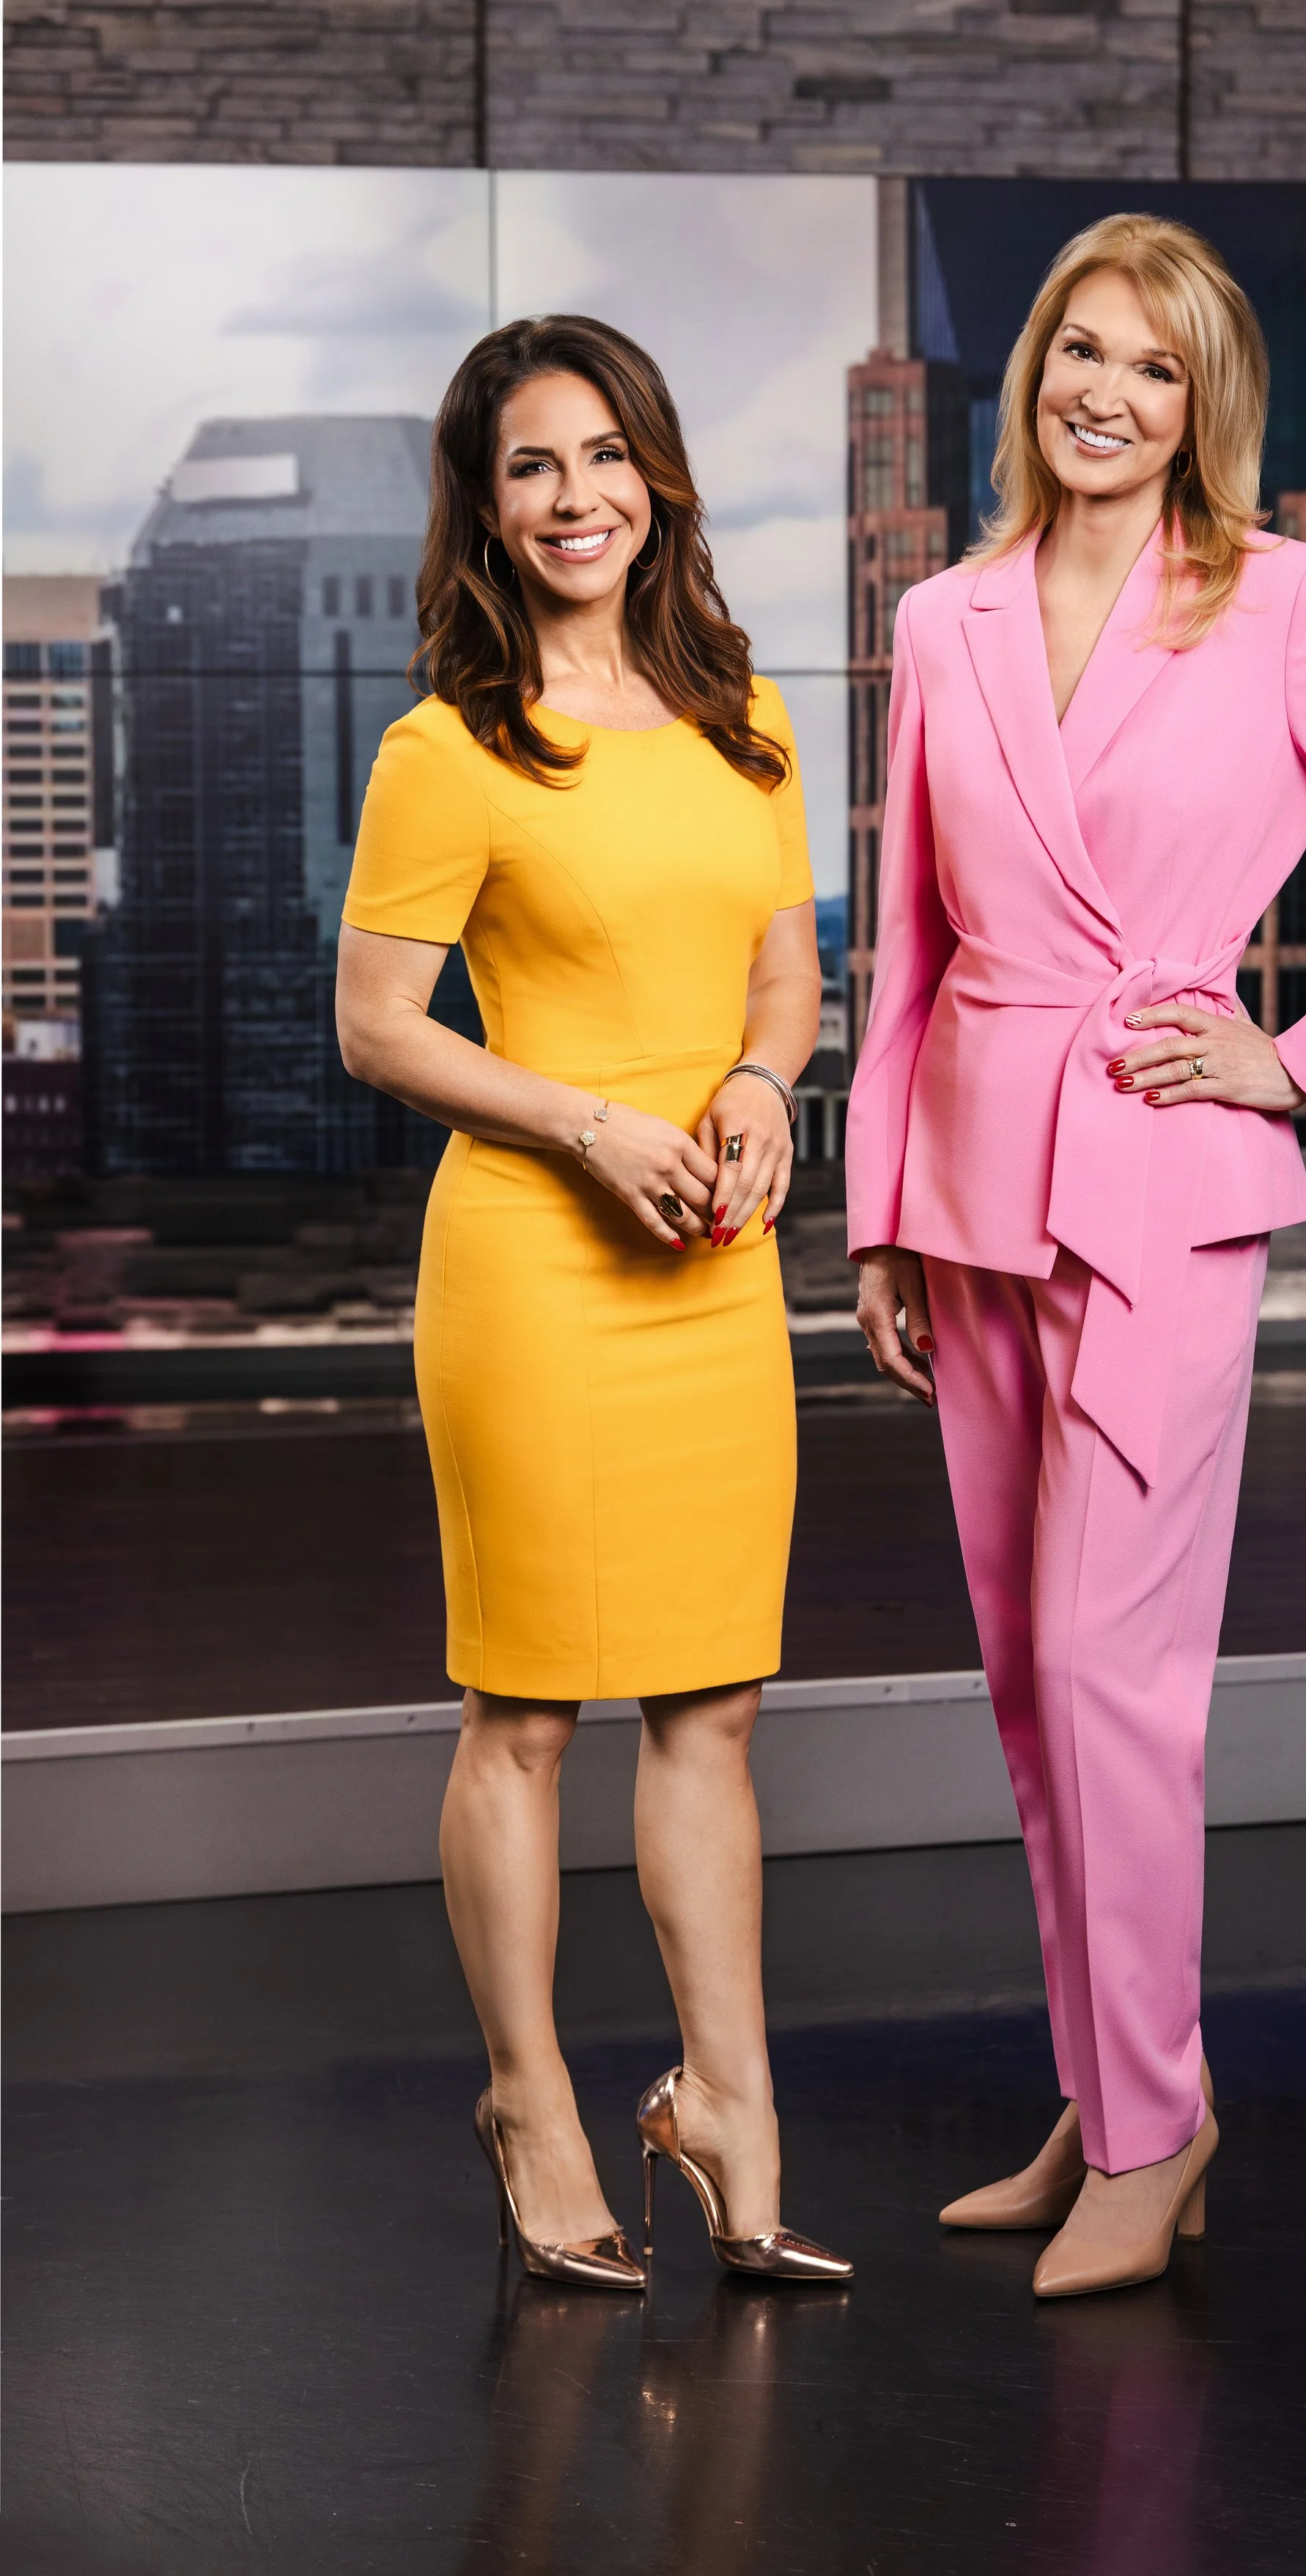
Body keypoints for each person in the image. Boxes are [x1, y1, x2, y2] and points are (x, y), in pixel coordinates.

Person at [849, 216, 1306, 2298]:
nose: (1107, 392)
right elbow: (910, 945)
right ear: (1031, 369)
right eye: (1082, 348)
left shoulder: (1282, 602)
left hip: (1162, 1181)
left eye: (1154, 366)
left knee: (1113, 1679)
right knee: (1028, 1684)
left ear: (1199, 405)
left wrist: (1298, 1061)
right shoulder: (944, 617)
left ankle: (1158, 2130)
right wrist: (875, 1214)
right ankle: (1107, 2089)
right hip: (970, 1187)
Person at [337, 314, 850, 2289]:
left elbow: (787, 980)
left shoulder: (746, 715)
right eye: (533, 465)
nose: (578, 498)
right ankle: (531, 2099)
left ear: (658, 474)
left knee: (712, 1705)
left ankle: (728, 2104)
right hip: (536, 1271)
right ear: (484, 505)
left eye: (607, 454)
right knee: (529, 1710)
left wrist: (757, 1090)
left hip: (713, 1267)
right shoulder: (448, 747)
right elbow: (378, 1026)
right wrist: (587, 1123)